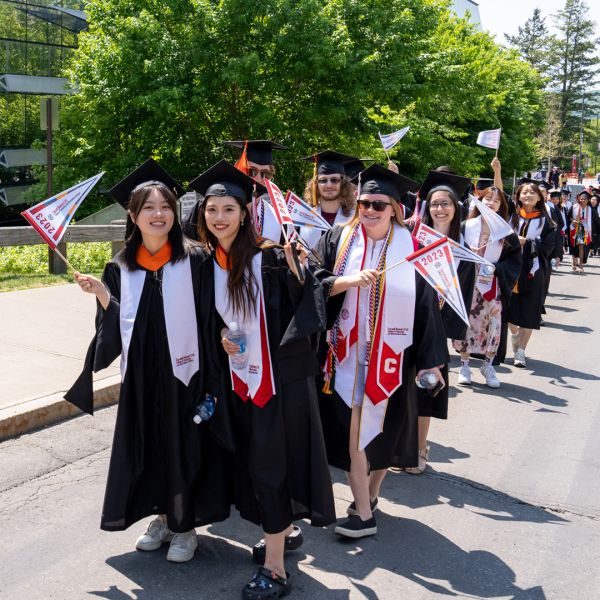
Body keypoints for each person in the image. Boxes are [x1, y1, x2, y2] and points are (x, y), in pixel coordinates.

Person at [65, 159, 231, 563]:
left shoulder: (195, 260)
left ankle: (184, 525)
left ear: (176, 213)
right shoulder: (120, 265)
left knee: (183, 445)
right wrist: (103, 294)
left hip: (185, 373)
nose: (159, 214)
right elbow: (120, 327)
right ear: (133, 214)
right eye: (148, 207)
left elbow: (213, 316)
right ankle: (161, 517)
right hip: (142, 376)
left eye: (166, 206)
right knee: (150, 445)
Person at [190, 159, 335, 599]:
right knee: (252, 463)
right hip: (238, 382)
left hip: (277, 385)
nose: (219, 218)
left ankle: (275, 570)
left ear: (245, 213)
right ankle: (284, 531)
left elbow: (309, 306)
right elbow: (213, 319)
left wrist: (299, 272)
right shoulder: (209, 262)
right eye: (212, 209)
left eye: (228, 210)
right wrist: (221, 335)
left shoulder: (272, 257)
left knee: (269, 466)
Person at [315, 164, 447, 536]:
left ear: (394, 209)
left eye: (378, 204)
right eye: (363, 203)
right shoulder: (339, 238)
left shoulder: (413, 249)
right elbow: (315, 282)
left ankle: (369, 494)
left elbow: (425, 310)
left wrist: (430, 362)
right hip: (343, 355)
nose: (369, 211)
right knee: (356, 432)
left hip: (392, 356)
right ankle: (363, 515)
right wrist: (346, 281)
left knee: (384, 433)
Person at [407, 170, 475, 474]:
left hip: (434, 330)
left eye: (446, 203)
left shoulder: (463, 252)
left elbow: (464, 298)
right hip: (405, 324)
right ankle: (403, 446)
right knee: (401, 389)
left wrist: (446, 331)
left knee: (426, 389)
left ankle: (420, 448)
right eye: (434, 204)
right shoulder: (412, 242)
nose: (440, 209)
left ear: (455, 208)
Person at [453, 187, 522, 388]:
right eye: (487, 199)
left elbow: (514, 261)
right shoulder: (465, 226)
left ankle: (487, 364)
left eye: (496, 201)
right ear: (478, 202)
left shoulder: (506, 233)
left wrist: (497, 268)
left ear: (502, 206)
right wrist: (467, 252)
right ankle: (464, 365)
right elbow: (453, 251)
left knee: (494, 326)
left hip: (492, 286)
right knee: (467, 325)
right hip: (468, 285)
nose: (491, 203)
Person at [182, 139, 288, 243]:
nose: (258, 178)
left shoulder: (276, 217)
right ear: (238, 169)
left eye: (266, 174)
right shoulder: (204, 209)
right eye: (251, 171)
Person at [507, 181, 556, 368]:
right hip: (510, 269)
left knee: (528, 310)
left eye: (532, 192)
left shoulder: (546, 221)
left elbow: (548, 247)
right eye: (524, 192)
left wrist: (526, 243)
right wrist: (497, 172)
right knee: (507, 310)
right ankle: (514, 334)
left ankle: (520, 352)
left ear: (539, 197)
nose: (528, 195)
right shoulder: (512, 217)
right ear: (518, 196)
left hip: (533, 272)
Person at [300, 150, 358, 249]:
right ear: (315, 184)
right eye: (323, 180)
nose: (329, 185)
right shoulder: (303, 215)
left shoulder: (355, 217)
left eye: (334, 180)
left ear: (343, 183)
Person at [569, 189, 593, 272]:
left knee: (581, 246)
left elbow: (594, 220)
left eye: (584, 199)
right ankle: (574, 262)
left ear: (588, 200)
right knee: (573, 246)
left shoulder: (590, 209)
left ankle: (581, 265)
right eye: (581, 199)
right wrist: (573, 221)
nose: (582, 200)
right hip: (574, 228)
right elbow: (568, 217)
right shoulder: (574, 207)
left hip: (584, 230)